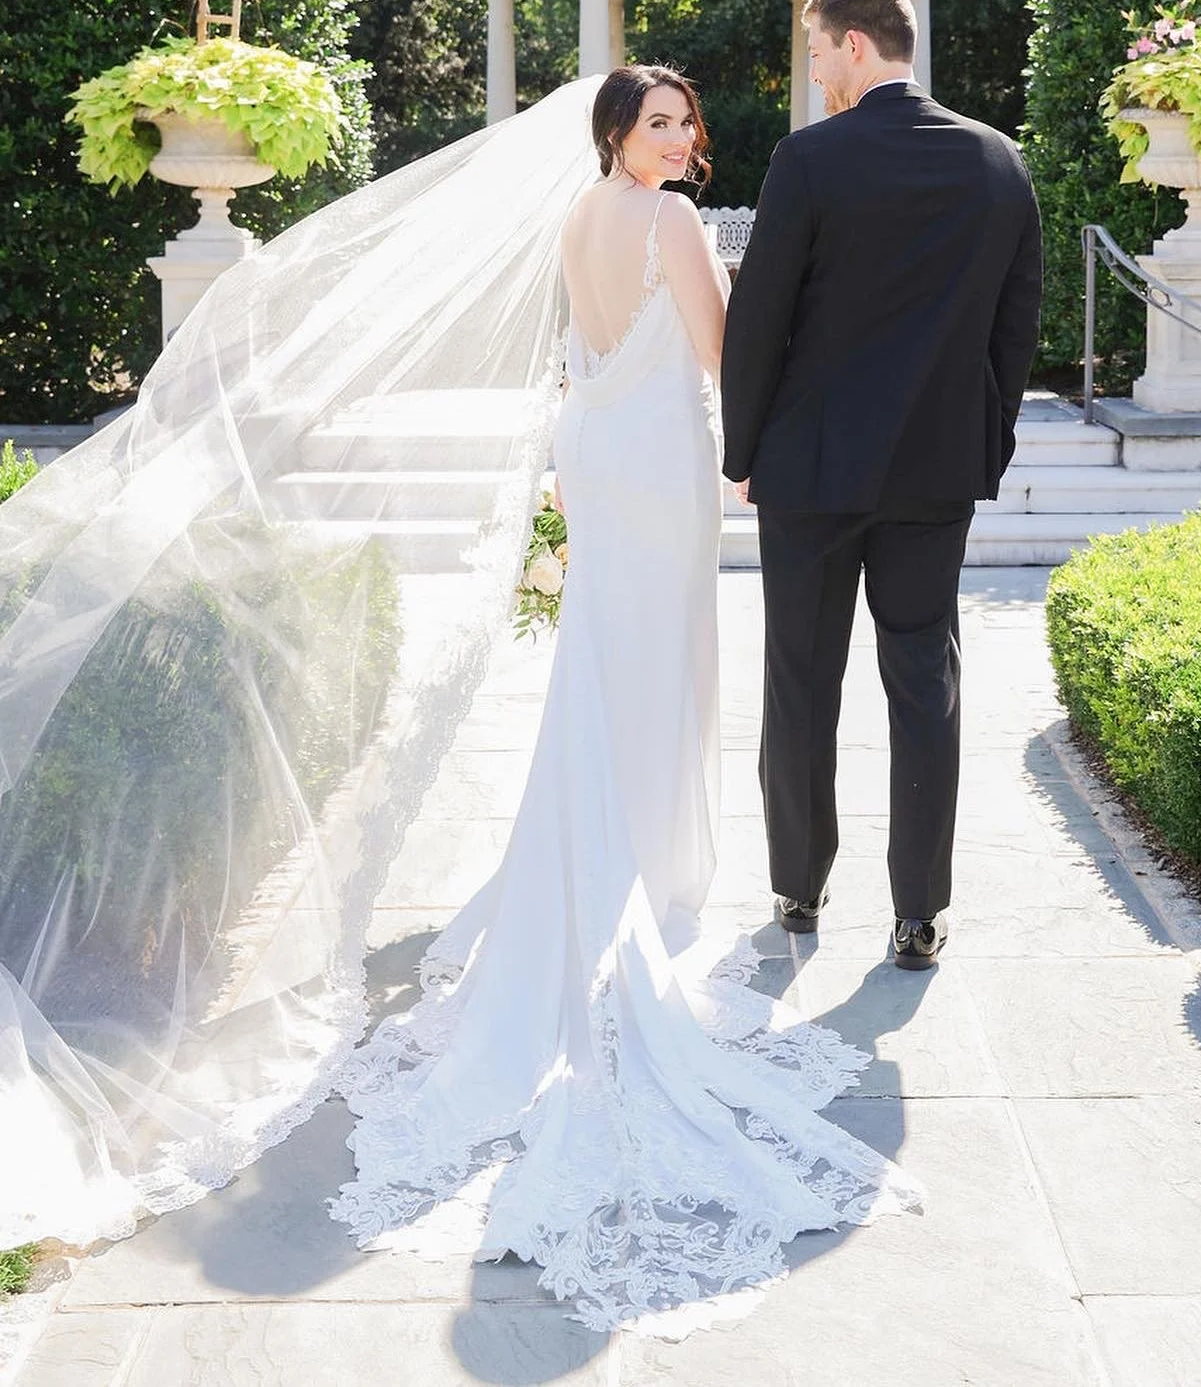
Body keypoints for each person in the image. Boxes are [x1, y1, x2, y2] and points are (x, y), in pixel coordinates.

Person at [323, 65, 920, 1333]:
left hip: (591, 442)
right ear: (616, 133)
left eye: (684, 122)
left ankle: (604, 849)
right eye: (660, 121)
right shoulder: (666, 220)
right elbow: (717, 348)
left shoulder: (578, 216)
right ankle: (648, 866)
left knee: (608, 655)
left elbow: (599, 338)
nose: (681, 136)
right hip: (653, 452)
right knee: (660, 661)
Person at [721, 0, 1044, 971]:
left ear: (856, 45)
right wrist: (985, 442)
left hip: (812, 470)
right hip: (936, 474)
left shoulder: (810, 161)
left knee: (801, 674)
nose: (815, 74)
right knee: (924, 679)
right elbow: (1017, 330)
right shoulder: (999, 163)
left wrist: (742, 452)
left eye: (818, 53)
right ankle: (918, 912)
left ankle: (798, 885)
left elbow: (760, 322)